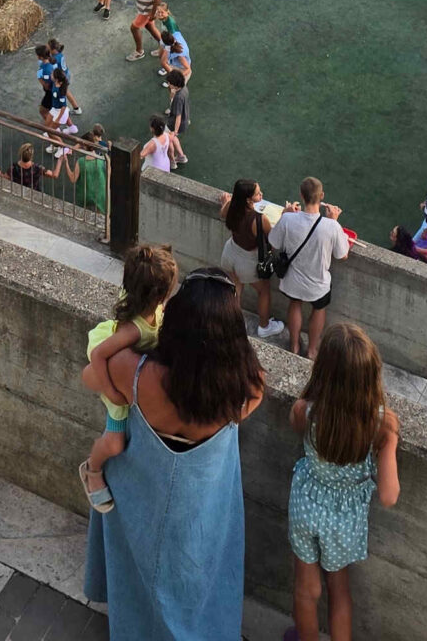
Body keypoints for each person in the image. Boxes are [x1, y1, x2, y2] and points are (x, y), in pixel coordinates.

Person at [82, 270, 268, 641]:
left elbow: (91, 375)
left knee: (137, 573)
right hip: (200, 508)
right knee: (196, 577)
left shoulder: (131, 371)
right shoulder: (248, 388)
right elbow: (246, 380)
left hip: (137, 494)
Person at [284, 323, 401, 641]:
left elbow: (299, 425)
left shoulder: (304, 411)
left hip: (305, 506)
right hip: (344, 519)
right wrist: (390, 442)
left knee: (306, 589)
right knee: (339, 590)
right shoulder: (380, 425)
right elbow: (390, 496)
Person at [80, 244, 180, 511]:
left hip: (125, 370)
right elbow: (100, 355)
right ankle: (92, 469)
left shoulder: (152, 307)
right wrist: (112, 393)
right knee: (115, 443)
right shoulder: (134, 331)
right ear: (160, 293)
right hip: (113, 373)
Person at [269, 178, 353, 358]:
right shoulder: (331, 226)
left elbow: (273, 242)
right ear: (322, 197)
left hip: (292, 280)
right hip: (318, 283)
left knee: (295, 303)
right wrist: (334, 221)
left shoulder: (288, 219)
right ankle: (313, 349)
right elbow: (342, 255)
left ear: (301, 195)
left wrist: (285, 213)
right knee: (319, 309)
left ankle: (294, 345)